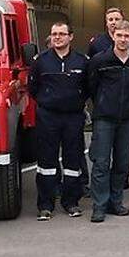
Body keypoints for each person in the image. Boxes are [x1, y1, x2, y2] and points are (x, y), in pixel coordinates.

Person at [86, 20, 129, 222]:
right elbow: (91, 86)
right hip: (104, 118)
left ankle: (116, 202)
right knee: (101, 163)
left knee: (121, 164)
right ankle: (99, 206)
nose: (122, 39)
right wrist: (103, 104)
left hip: (128, 120)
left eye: (126, 36)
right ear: (113, 36)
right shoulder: (99, 60)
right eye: (119, 35)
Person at [29, 21, 89, 221]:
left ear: (71, 37)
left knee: (73, 161)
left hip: (73, 117)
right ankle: (45, 205)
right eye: (54, 34)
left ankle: (71, 202)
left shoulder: (82, 61)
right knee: (46, 162)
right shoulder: (41, 61)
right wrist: (48, 102)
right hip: (48, 117)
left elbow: (89, 87)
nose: (57, 37)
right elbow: (33, 88)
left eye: (62, 34)